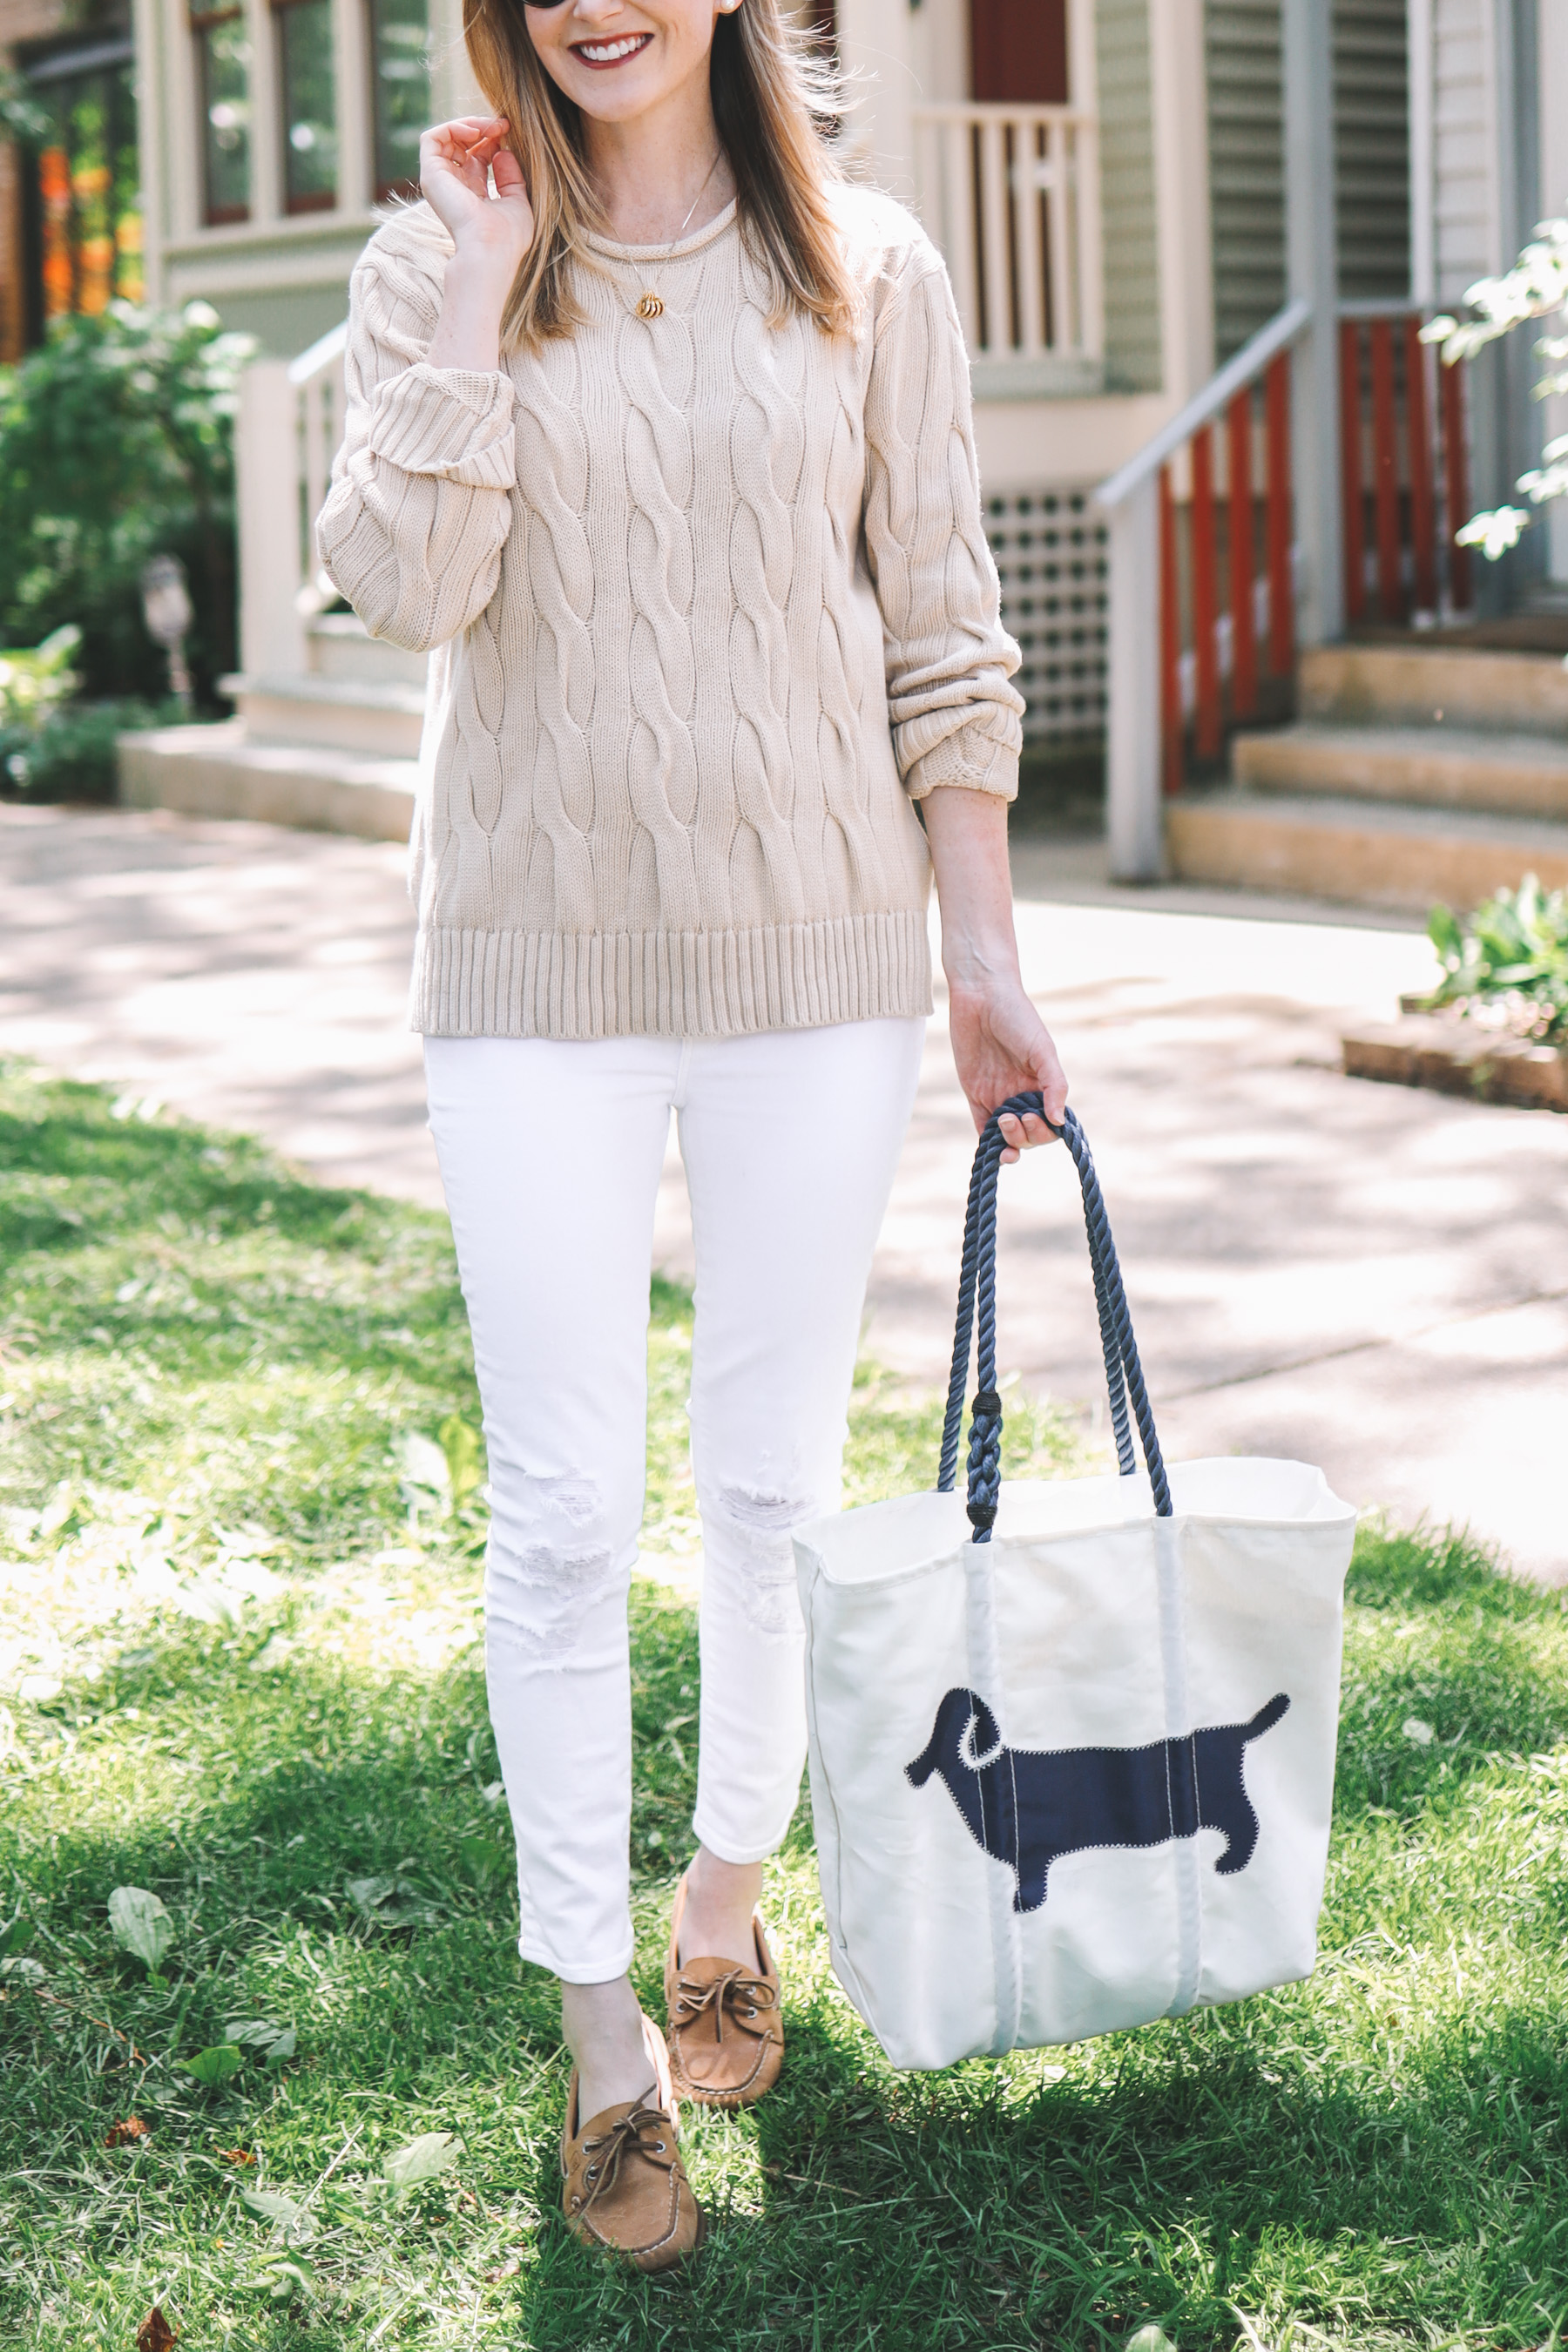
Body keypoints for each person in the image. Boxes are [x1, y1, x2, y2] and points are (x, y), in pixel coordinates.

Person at [318, 0, 1066, 2271]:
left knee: (763, 1477)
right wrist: (474, 280)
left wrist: (984, 949)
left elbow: (941, 620)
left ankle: (726, 1887)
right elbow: (400, 586)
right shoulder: (431, 248)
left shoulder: (876, 269)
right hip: (530, 978)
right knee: (556, 1513)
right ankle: (597, 2024)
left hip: (812, 965)